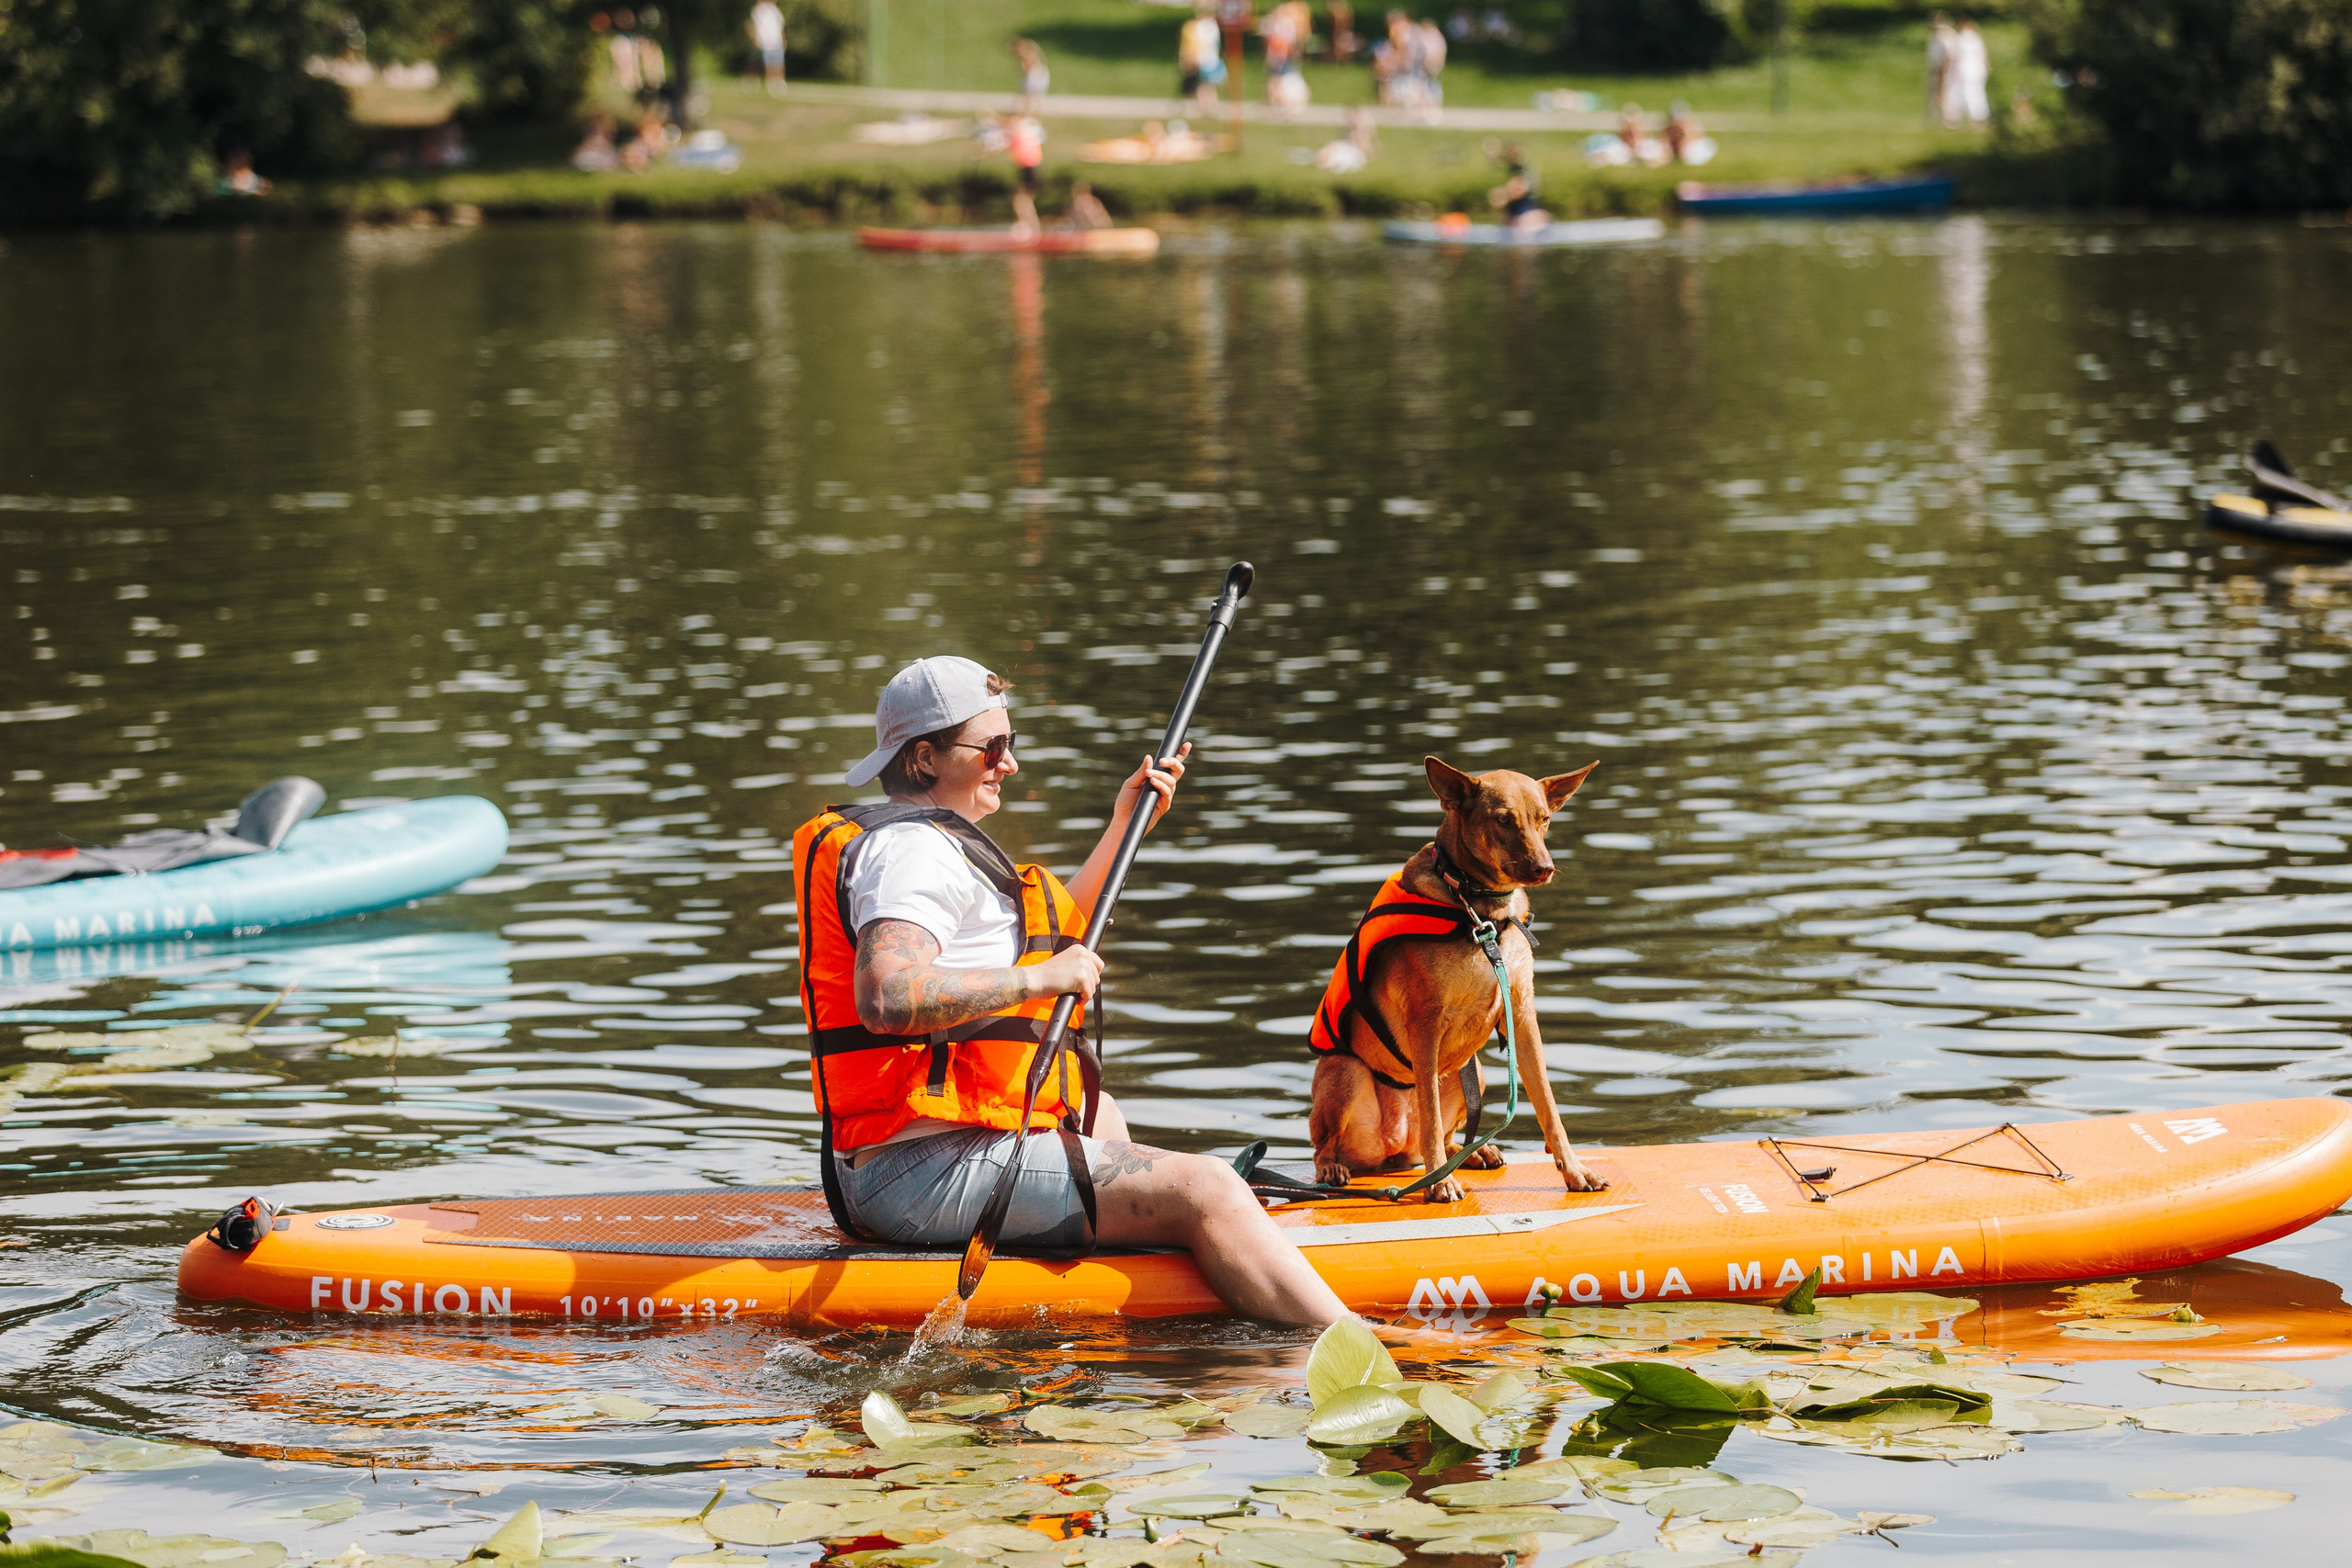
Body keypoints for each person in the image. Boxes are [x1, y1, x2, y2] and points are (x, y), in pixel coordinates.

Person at [794, 657, 1350, 1328]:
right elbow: (887, 995)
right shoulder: (911, 854)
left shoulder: (933, 842)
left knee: (1101, 1112)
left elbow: (1060, 937)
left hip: (916, 1158)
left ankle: (1170, 1304)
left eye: (1012, 742)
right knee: (1206, 1186)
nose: (1009, 763)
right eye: (991, 746)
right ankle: (1366, 1348)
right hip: (916, 1171)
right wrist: (1036, 981)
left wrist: (1126, 824)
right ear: (923, 758)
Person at [1486, 141, 1546, 231]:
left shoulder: (1522, 171)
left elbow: (1520, 189)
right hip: (1517, 215)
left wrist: (1504, 195)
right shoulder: (1513, 168)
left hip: (1524, 215)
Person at [1002, 112, 1045, 233]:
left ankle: (1029, 227)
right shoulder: (1023, 132)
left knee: (1020, 200)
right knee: (1023, 200)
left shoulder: (1020, 132)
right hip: (1029, 169)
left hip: (1030, 170)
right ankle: (1032, 226)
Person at [1953, 18, 1990, 128]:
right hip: (1979, 69)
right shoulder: (1976, 37)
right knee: (1979, 92)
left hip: (1967, 70)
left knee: (1970, 93)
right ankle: (1982, 115)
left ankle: (1975, 117)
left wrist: (1955, 70)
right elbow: (1983, 55)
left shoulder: (1962, 38)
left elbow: (1958, 56)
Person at [750, 0, 786, 96]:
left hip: (776, 40)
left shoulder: (775, 11)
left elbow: (780, 27)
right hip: (765, 40)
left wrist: (783, 40)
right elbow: (755, 25)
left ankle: (779, 82)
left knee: (778, 63)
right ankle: (770, 82)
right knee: (768, 63)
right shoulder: (759, 10)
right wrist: (756, 38)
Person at [1925, 12, 1954, 127]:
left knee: (1944, 94)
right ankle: (1935, 117)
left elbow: (1947, 56)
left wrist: (1942, 72)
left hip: (1943, 70)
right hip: (1935, 69)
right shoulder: (1933, 38)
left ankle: (1950, 119)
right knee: (1934, 94)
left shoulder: (1945, 38)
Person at [1012, 38, 1049, 116]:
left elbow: (1027, 69)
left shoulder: (1028, 54)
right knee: (1032, 97)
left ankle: (1028, 115)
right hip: (1037, 74)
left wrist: (1026, 77)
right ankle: (1031, 115)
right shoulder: (1030, 53)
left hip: (1034, 75)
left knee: (1029, 96)